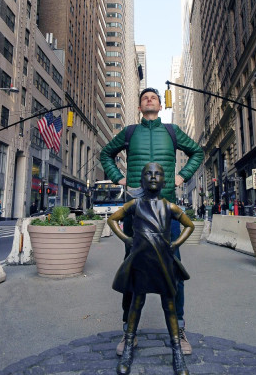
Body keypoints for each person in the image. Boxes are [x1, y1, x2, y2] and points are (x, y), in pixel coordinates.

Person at [101, 87, 203, 356]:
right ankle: (128, 331)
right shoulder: (129, 132)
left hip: (166, 211)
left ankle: (179, 329)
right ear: (139, 106)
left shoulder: (171, 131)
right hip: (137, 211)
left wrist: (182, 176)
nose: (149, 100)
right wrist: (118, 178)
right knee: (132, 269)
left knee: (173, 270)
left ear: (160, 106)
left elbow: (197, 152)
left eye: (154, 98)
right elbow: (105, 154)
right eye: (145, 98)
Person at [108, 163, 194, 375]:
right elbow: (112, 219)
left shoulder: (169, 207)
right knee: (136, 304)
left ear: (164, 181)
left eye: (158, 174)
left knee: (170, 306)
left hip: (163, 262)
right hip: (141, 263)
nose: (153, 177)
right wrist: (127, 239)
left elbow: (189, 225)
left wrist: (175, 244)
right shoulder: (135, 205)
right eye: (148, 173)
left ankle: (177, 352)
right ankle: (128, 346)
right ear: (142, 180)